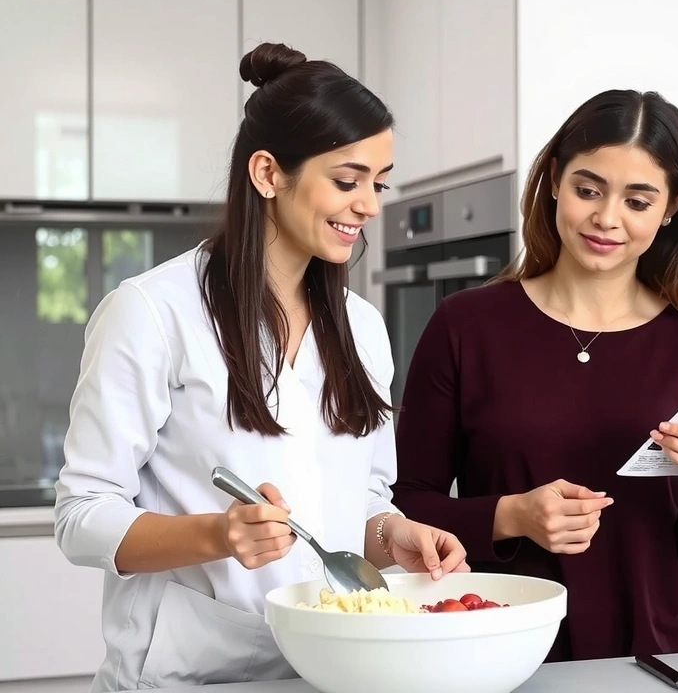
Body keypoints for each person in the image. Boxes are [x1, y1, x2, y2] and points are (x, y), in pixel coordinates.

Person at [53, 43, 468, 693]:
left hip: (332, 670)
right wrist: (218, 534)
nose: (370, 206)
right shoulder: (151, 312)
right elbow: (82, 513)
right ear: (269, 173)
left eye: (378, 183)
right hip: (186, 677)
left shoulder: (360, 326)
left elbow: (358, 498)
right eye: (347, 179)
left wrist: (395, 534)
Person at [391, 89, 678, 662]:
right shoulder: (464, 326)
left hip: (661, 667)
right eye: (589, 190)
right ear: (555, 179)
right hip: (502, 658)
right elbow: (405, 507)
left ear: (671, 207)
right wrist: (512, 515)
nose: (607, 219)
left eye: (638, 201)